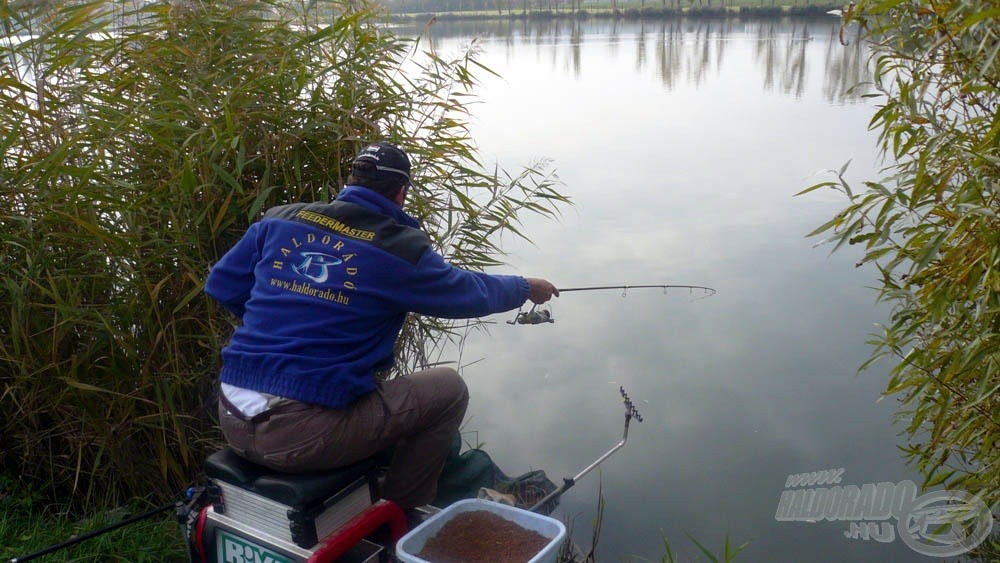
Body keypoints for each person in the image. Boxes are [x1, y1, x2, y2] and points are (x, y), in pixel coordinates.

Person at [205, 141, 558, 512]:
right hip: (302, 438)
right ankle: (405, 513)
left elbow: (222, 285)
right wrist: (524, 288)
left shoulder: (279, 220)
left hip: (231, 416)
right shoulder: (397, 249)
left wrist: (287, 317)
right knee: (448, 390)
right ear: (401, 192)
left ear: (350, 179)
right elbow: (466, 291)